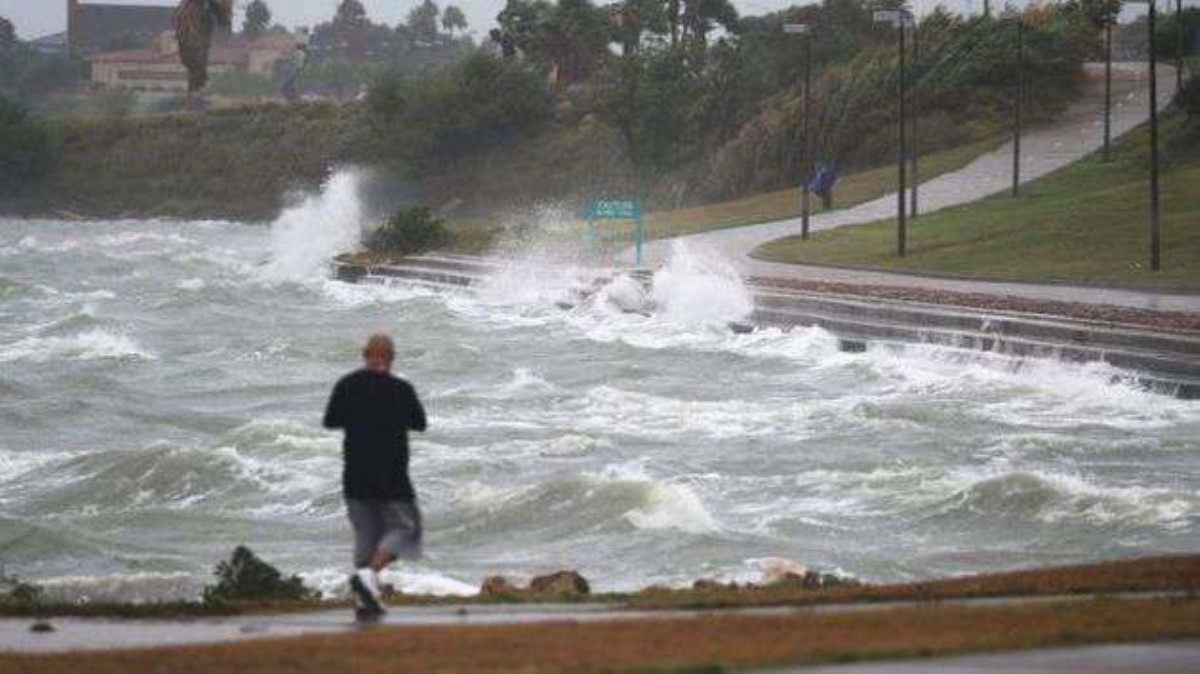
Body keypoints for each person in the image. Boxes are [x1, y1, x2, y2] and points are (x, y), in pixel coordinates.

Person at [323, 333, 427, 620]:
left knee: (366, 536)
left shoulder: (346, 385)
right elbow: (420, 423)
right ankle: (368, 576)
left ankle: (365, 600)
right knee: (407, 528)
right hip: (391, 474)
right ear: (391, 358)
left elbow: (331, 420)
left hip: (355, 473)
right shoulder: (400, 389)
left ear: (365, 354)